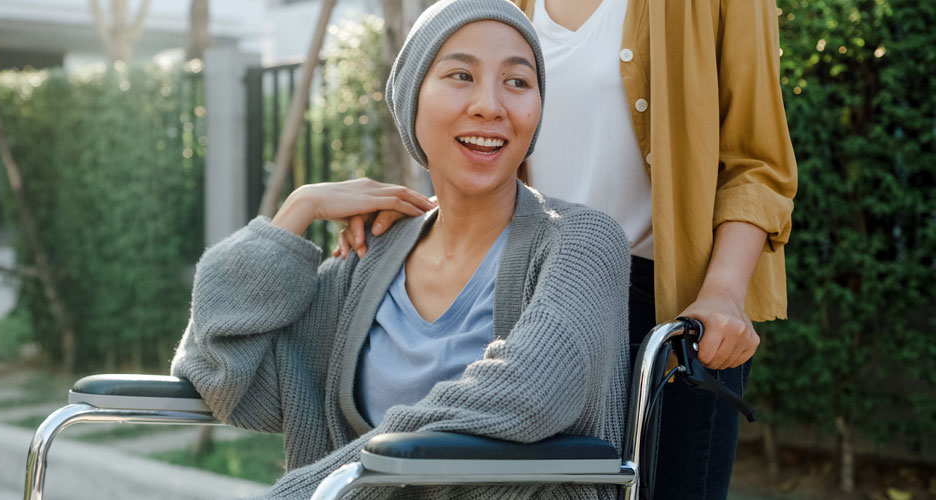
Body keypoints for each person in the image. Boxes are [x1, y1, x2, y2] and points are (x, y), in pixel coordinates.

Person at [170, 0, 631, 498]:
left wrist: (322, 487)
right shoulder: (370, 261)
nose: (490, 105)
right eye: (460, 75)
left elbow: (530, 394)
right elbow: (219, 372)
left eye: (517, 82)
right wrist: (295, 213)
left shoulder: (583, 243)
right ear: (412, 101)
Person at [340, 0, 798, 497]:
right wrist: (435, 215)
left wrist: (724, 293)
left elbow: (756, 160)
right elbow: (489, 134)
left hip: (670, 306)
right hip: (533, 286)